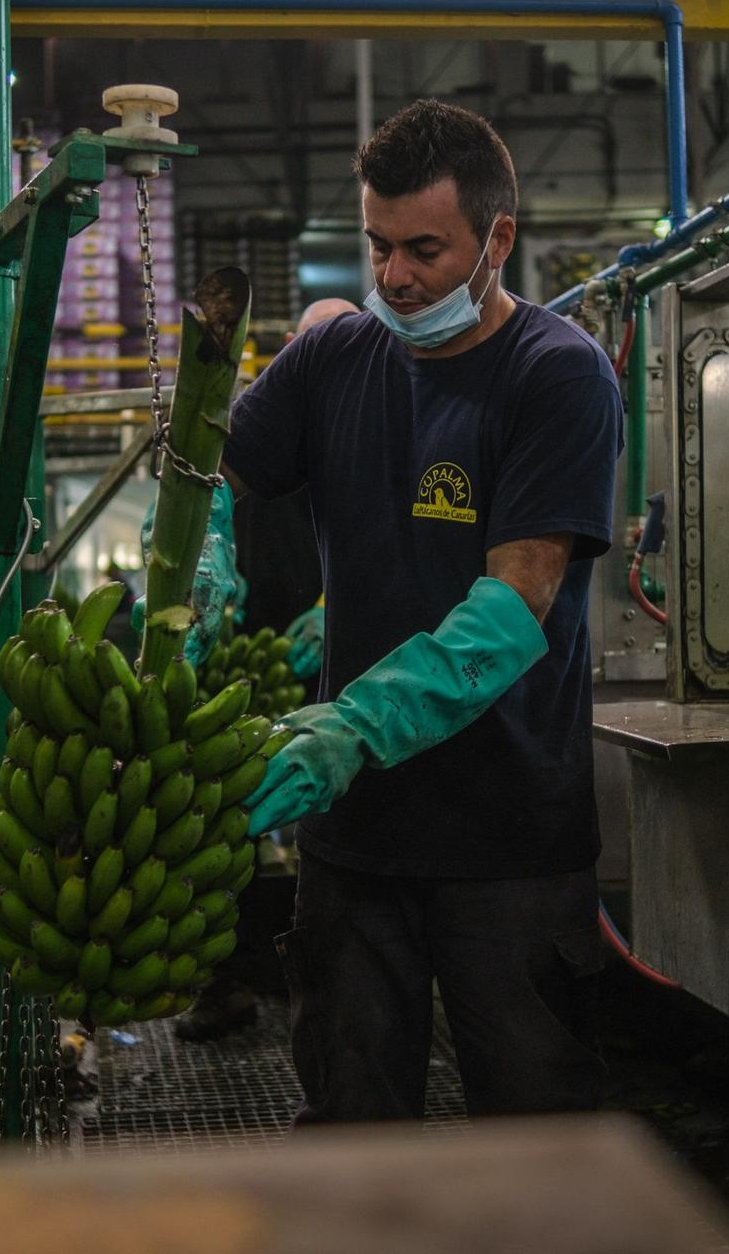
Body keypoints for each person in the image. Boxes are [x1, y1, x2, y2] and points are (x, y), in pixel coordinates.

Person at [214, 99, 623, 1120]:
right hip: (355, 847)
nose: (393, 275)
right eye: (377, 245)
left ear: (498, 240)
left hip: (508, 842)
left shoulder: (555, 373)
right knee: (349, 1130)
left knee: (533, 1143)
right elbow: (217, 471)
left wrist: (355, 723)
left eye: (424, 250)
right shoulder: (332, 356)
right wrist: (200, 564)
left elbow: (514, 603)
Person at [173, 297, 355, 1042]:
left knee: (336, 822)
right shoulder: (261, 422)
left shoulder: (363, 431)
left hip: (335, 662)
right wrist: (207, 567)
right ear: (290, 350)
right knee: (228, 822)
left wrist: (332, 606)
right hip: (244, 652)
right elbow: (202, 487)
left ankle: (334, 977)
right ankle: (230, 979)